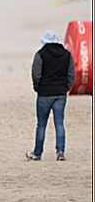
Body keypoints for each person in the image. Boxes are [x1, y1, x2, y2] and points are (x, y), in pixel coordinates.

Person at [26, 30, 75, 161]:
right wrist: (66, 88)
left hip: (44, 94)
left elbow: (36, 74)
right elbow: (71, 74)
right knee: (59, 122)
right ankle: (60, 152)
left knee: (41, 124)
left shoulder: (40, 54)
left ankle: (37, 153)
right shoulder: (67, 55)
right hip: (60, 94)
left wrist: (38, 88)